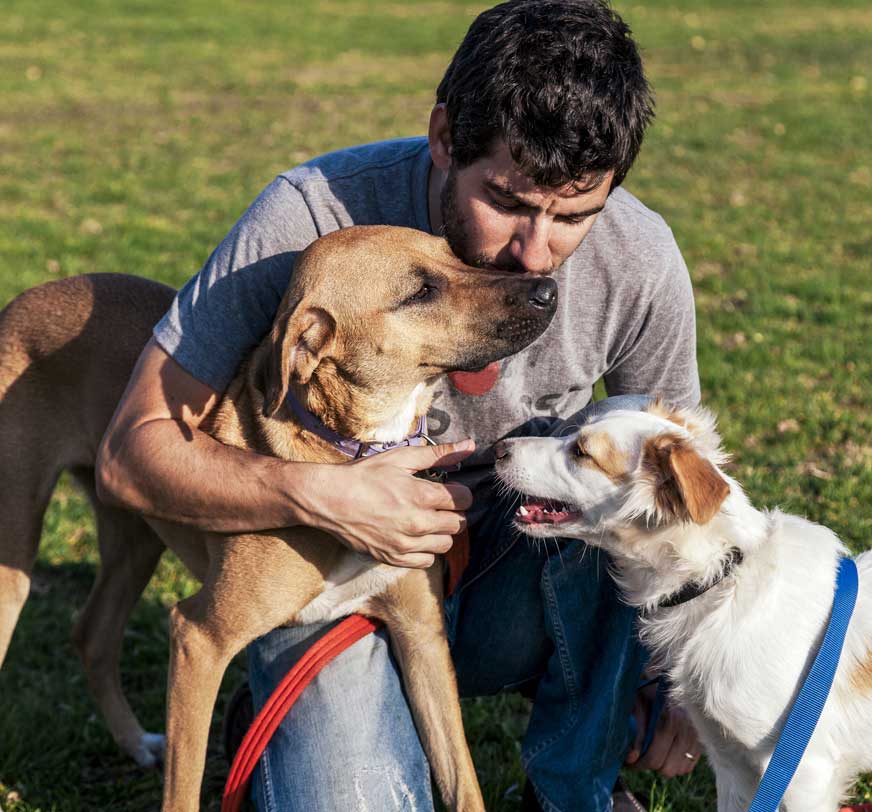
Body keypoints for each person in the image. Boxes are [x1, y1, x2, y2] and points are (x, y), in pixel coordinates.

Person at [96, 1, 702, 810]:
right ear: (445, 138)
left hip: (498, 567)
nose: (534, 257)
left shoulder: (639, 258)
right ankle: (290, 715)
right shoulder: (308, 221)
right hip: (316, 576)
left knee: (600, 500)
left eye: (574, 217)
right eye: (509, 202)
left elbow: (675, 483)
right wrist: (321, 494)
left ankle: (572, 793)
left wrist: (688, 668)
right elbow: (132, 453)